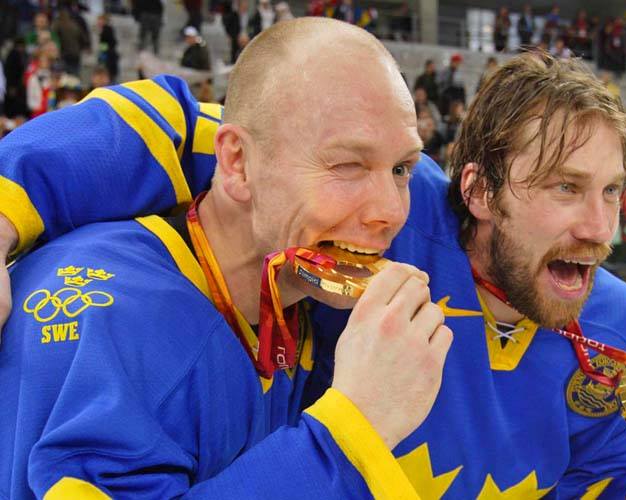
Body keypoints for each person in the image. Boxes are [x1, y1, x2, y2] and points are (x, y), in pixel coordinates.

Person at [0, 51, 626, 498]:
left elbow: (595, 486)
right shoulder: (392, 208)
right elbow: (181, 126)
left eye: (612, 191)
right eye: (563, 188)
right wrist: (6, 208)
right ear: (477, 191)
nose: (600, 227)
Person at [0, 18, 451, 498]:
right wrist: (348, 433)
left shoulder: (296, 297)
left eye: (402, 167)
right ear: (235, 163)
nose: (390, 212)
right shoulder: (116, 329)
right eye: (347, 165)